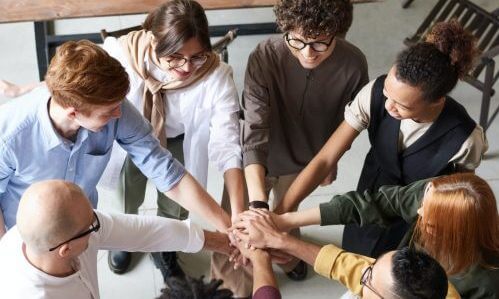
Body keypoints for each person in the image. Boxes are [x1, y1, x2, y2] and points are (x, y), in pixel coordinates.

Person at [275, 20, 488, 258]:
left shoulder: (465, 138)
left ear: (437, 101)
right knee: (354, 254)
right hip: (367, 198)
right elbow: (325, 159)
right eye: (388, 94)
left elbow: (460, 196)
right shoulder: (374, 94)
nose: (388, 106)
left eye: (402, 105)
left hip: (418, 221)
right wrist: (281, 213)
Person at [0, 40, 232, 254]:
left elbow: (165, 170)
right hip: (22, 238)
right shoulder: (9, 135)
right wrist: (5, 255)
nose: (119, 114)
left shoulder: (114, 107)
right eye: (109, 112)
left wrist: (227, 225)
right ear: (74, 113)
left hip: (84, 228)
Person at [98, 0, 244, 277]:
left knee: (176, 206)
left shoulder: (216, 74)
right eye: (175, 57)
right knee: (126, 194)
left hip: (178, 139)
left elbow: (227, 141)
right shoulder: (121, 53)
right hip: (129, 139)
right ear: (154, 40)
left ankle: (166, 246)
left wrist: (235, 215)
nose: (187, 67)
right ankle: (125, 239)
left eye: (197, 56)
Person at [236, 0, 369, 287]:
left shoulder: (354, 65)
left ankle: (290, 256)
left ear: (338, 32)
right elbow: (254, 129)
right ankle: (235, 283)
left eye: (320, 43)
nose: (308, 53)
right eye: (296, 40)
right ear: (285, 27)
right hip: (255, 159)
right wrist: (258, 205)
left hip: (306, 162)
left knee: (287, 216)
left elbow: (346, 127)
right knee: (242, 223)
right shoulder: (264, 56)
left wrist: (330, 163)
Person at [245, 173, 499, 298]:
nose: (418, 212)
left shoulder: (486, 283)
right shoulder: (439, 196)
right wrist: (281, 235)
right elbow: (353, 267)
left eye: (368, 282)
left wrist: (261, 261)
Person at [0, 180, 232, 299]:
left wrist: (225, 243)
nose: (98, 224)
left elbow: (144, 231)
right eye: (91, 225)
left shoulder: (56, 229)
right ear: (65, 249)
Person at [231, 208, 461, 299]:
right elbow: (347, 264)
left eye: (369, 279)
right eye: (373, 265)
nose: (363, 271)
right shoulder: (439, 290)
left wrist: (260, 261)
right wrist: (279, 240)